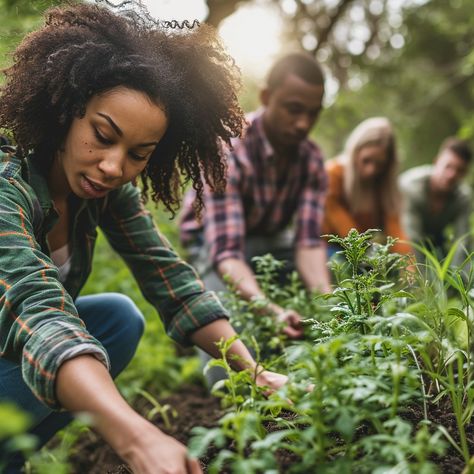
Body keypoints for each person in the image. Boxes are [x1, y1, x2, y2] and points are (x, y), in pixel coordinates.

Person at [0, 3, 287, 473]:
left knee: (117, 319)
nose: (114, 167)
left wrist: (253, 373)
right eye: (103, 134)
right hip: (26, 347)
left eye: (138, 154)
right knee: (89, 328)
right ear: (70, 110)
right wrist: (137, 440)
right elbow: (37, 313)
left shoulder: (102, 192)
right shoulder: (8, 188)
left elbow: (171, 280)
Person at [180, 52, 331, 350]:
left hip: (269, 239)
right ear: (266, 96)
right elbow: (227, 253)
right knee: (230, 357)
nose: (303, 123)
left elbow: (309, 245)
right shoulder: (228, 149)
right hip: (213, 245)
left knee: (338, 261)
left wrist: (329, 304)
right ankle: (193, 312)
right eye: (294, 109)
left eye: (313, 113)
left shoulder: (311, 159)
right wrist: (268, 308)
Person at [322, 117, 412, 256]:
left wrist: (409, 270)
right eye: (366, 160)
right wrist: (365, 253)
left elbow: (396, 232)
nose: (371, 170)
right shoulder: (333, 174)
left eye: (379, 164)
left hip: (362, 250)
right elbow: (343, 226)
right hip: (327, 248)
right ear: (355, 152)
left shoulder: (383, 187)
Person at [399, 137, 472, 268]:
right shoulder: (409, 186)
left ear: (464, 174)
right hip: (399, 240)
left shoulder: (463, 197)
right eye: (448, 166)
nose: (452, 174)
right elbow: (411, 239)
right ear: (436, 162)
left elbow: (461, 242)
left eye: (459, 170)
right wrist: (420, 284)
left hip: (435, 243)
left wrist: (456, 281)